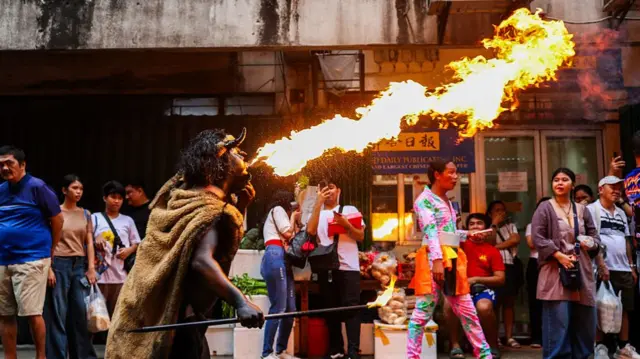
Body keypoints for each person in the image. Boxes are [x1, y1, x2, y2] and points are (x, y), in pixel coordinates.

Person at [105, 128, 264, 359]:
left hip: (178, 319)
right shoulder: (208, 210)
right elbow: (202, 261)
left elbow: (215, 248)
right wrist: (241, 302)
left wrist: (241, 207)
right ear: (220, 163)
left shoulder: (186, 197)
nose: (244, 157)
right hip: (181, 326)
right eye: (237, 152)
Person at [408, 160, 492, 359]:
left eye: (457, 173)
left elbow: (447, 232)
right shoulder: (425, 200)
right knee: (422, 313)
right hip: (433, 261)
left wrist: (468, 234)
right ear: (437, 174)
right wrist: (437, 261)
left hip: (451, 260)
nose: (456, 177)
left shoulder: (446, 200)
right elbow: (430, 232)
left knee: (467, 311)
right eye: (451, 173)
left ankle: (485, 355)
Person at [0, 146, 64, 359]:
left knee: (32, 313)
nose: (5, 168)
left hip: (32, 258)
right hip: (3, 260)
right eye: (1, 164)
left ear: (23, 164)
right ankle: (10, 356)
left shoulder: (38, 187)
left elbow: (58, 220)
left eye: (9, 163)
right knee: (4, 313)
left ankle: (40, 356)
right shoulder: (1, 190)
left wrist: (50, 251)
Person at [531, 168, 600, 359]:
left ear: (572, 184)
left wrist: (591, 243)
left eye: (564, 179)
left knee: (585, 321)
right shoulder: (545, 208)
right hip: (554, 270)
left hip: (581, 270)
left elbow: (595, 237)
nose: (559, 183)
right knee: (558, 323)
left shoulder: (582, 209)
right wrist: (558, 254)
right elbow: (538, 237)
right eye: (556, 180)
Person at [307, 178, 365, 359]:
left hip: (349, 268)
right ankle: (336, 350)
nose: (328, 192)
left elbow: (360, 236)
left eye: (331, 188)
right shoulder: (318, 213)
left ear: (338, 190)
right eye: (324, 189)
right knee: (330, 310)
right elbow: (310, 231)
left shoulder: (349, 210)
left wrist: (346, 225)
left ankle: (353, 351)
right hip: (327, 268)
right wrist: (317, 203)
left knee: (352, 309)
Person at [44, 174, 97, 359]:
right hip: (59, 263)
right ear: (64, 190)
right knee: (57, 314)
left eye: (81, 189)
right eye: (74, 188)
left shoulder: (85, 213)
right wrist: (49, 267)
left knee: (80, 314)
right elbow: (47, 241)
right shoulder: (55, 213)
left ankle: (81, 355)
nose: (78, 192)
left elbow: (89, 242)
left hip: (79, 265)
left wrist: (91, 267)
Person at [589, 176, 639, 359]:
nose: (617, 190)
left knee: (624, 307)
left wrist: (631, 265)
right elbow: (592, 240)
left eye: (619, 187)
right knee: (600, 306)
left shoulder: (620, 213)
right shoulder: (592, 210)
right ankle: (600, 345)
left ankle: (623, 346)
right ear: (601, 189)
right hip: (600, 267)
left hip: (623, 268)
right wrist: (601, 264)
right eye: (613, 187)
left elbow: (626, 240)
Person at [444, 213, 505, 359]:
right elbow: (447, 237)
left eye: (479, 223)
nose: (475, 227)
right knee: (448, 305)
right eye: (472, 224)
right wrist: (456, 225)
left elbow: (500, 279)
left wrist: (476, 279)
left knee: (484, 308)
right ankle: (455, 345)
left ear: (486, 228)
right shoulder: (460, 245)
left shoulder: (492, 250)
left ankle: (492, 345)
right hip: (459, 288)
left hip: (482, 288)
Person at [260, 190, 301, 359]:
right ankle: (267, 352)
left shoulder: (282, 214)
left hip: (284, 260)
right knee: (279, 307)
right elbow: (288, 233)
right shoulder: (278, 210)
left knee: (290, 308)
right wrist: (293, 219)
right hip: (275, 255)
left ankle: (281, 351)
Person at [92, 180, 141, 317]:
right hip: (99, 277)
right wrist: (95, 239)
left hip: (120, 277)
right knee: (97, 318)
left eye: (120, 198)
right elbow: (85, 243)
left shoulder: (128, 220)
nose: (117, 201)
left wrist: (128, 251)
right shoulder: (94, 218)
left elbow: (137, 243)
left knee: (117, 317)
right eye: (113, 197)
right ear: (104, 198)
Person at [486, 200, 522, 349]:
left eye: (502, 210)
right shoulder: (487, 228)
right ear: (490, 213)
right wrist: (493, 224)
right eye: (496, 210)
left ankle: (509, 336)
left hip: (509, 266)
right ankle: (494, 337)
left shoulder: (511, 226)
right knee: (494, 303)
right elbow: (489, 242)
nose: (500, 213)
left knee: (509, 303)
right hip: (492, 269)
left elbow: (515, 239)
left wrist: (496, 247)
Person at [524, 197, 550, 349]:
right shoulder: (531, 225)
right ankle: (537, 336)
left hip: (553, 263)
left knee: (553, 301)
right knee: (535, 302)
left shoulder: (559, 224)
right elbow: (532, 244)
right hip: (535, 264)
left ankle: (552, 335)